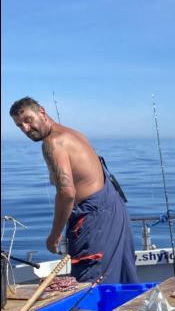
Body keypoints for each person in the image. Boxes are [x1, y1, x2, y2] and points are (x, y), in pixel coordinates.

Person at [9, 97, 138, 284]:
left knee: (90, 284)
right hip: (114, 211)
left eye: (28, 120)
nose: (26, 129)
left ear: (42, 112)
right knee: (121, 278)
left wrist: (54, 235)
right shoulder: (73, 134)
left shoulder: (52, 143)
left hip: (94, 219)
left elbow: (67, 192)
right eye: (19, 126)